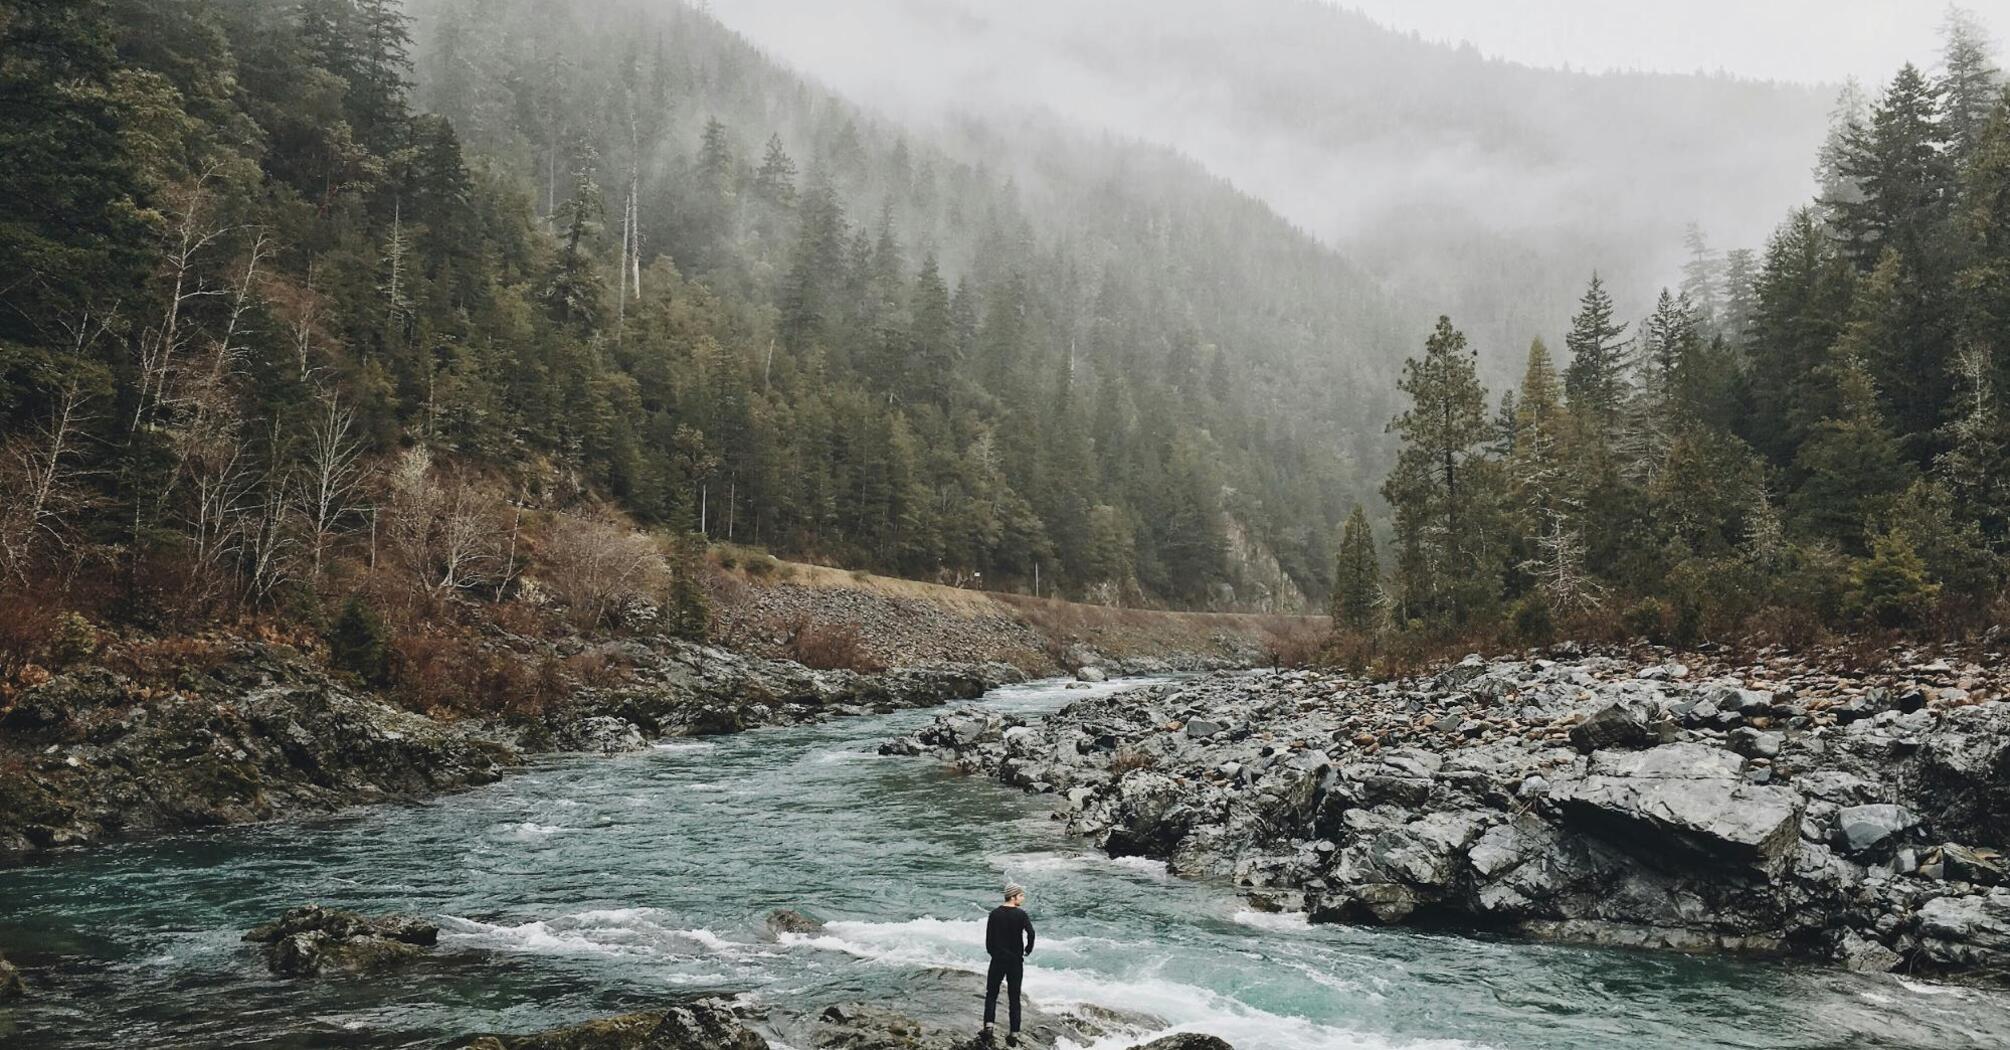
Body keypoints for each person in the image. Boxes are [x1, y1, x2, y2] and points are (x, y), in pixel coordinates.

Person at [981, 884, 1035, 1046]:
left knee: (991, 993)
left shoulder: (994, 914)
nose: (1023, 898)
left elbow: (989, 939)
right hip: (1015, 961)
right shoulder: (1021, 915)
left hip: (998, 959)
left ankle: (989, 1027)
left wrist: (994, 953)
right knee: (1014, 997)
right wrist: (1027, 950)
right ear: (1013, 897)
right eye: (1021, 896)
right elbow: (1031, 933)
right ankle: (1014, 1033)